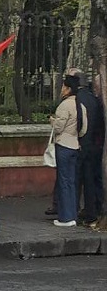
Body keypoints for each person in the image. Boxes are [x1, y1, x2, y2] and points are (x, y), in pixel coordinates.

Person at [51, 75, 85, 227]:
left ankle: (65, 217)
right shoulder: (80, 106)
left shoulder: (64, 106)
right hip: (75, 144)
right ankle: (72, 214)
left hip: (64, 145)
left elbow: (58, 127)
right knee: (71, 182)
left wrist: (52, 121)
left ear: (68, 89)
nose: (61, 90)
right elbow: (84, 129)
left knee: (63, 182)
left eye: (63, 87)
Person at [74, 73, 105, 223]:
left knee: (76, 179)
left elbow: (79, 122)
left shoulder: (76, 99)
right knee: (91, 179)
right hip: (95, 145)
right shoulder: (94, 99)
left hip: (82, 144)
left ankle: (75, 211)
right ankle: (92, 210)